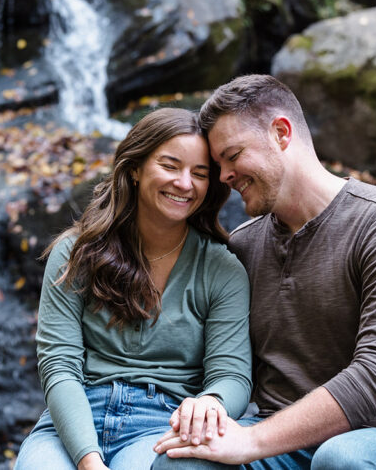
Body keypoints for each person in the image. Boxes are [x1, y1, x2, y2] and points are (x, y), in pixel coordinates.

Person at [153, 74, 376, 470]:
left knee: (341, 459)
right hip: (280, 445)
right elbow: (216, 360)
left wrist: (251, 440)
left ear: (281, 133)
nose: (224, 176)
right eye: (217, 165)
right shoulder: (243, 248)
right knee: (181, 463)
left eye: (232, 155)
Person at [15, 107, 253, 470]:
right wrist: (88, 460)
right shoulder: (75, 252)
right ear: (135, 169)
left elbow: (232, 374)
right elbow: (59, 365)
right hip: (73, 419)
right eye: (170, 166)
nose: (185, 183)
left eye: (200, 174)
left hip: (162, 425)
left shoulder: (221, 269)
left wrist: (213, 402)